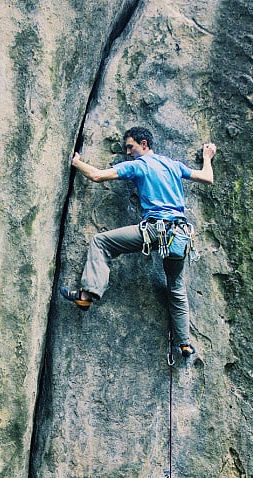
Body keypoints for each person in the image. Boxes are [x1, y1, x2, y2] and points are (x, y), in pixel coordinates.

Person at [60, 126, 217, 358]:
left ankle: (86, 295)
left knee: (101, 242)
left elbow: (97, 175)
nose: (128, 152)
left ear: (144, 144)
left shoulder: (140, 165)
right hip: (180, 236)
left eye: (130, 146)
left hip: (154, 230)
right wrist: (207, 157)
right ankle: (184, 343)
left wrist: (76, 162)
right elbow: (207, 178)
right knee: (176, 287)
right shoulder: (172, 164)